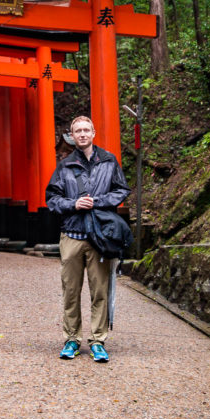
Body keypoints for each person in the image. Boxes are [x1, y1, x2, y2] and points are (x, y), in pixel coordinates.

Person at [45, 115, 130, 363]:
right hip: (72, 235)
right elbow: (52, 198)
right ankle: (72, 339)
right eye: (77, 131)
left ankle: (98, 340)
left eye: (86, 130)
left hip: (100, 236)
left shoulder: (109, 161)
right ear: (72, 136)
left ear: (93, 133)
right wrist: (74, 203)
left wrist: (98, 202)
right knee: (70, 291)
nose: (82, 134)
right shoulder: (65, 166)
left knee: (99, 291)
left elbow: (122, 190)